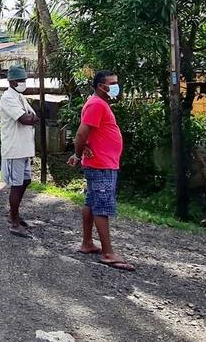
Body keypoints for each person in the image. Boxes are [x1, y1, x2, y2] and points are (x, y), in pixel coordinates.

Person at [67, 70, 133, 271]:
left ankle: (87, 243)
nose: (115, 86)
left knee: (92, 201)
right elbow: (81, 134)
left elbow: (87, 134)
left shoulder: (99, 104)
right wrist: (78, 155)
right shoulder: (96, 104)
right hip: (101, 164)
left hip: (103, 162)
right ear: (100, 86)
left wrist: (81, 152)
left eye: (116, 82)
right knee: (102, 206)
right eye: (111, 83)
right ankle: (107, 252)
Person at [0, 66, 38, 237]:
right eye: (21, 80)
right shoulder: (8, 98)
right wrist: (31, 118)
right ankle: (14, 222)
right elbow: (25, 119)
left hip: (25, 148)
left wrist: (32, 118)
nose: (24, 83)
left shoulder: (20, 97)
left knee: (26, 181)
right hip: (15, 148)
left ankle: (14, 214)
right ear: (13, 81)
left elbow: (32, 116)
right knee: (17, 184)